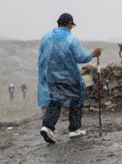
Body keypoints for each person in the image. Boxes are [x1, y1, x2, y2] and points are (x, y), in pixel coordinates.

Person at [37, 13, 102, 143]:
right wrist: (93, 54)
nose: (72, 27)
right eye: (72, 25)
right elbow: (80, 58)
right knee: (76, 99)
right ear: (68, 24)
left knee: (55, 101)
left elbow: (43, 56)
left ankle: (47, 126)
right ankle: (74, 129)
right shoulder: (72, 39)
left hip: (51, 76)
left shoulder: (46, 37)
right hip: (69, 77)